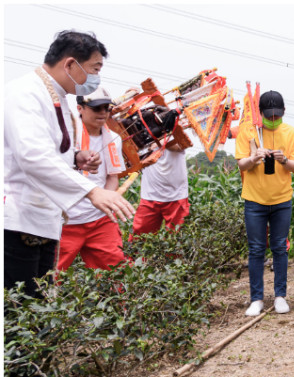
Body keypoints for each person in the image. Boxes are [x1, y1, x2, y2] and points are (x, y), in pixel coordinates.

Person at [4, 30, 134, 299]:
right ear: (71, 65)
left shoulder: (58, 97)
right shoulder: (25, 93)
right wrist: (92, 191)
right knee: (19, 307)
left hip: (45, 220)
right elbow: (32, 155)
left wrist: (75, 158)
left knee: (39, 302)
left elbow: (51, 147)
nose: (96, 77)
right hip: (19, 222)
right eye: (94, 69)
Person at [235, 90, 294, 316]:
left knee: (280, 247)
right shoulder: (248, 131)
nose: (273, 119)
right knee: (256, 249)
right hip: (254, 200)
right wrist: (254, 158)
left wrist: (284, 159)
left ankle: (280, 296)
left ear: (284, 112)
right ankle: (257, 299)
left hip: (282, 199)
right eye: (269, 115)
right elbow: (241, 164)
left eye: (277, 115)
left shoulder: (291, 133)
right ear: (260, 113)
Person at [58, 86, 127, 271]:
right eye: (97, 108)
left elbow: (112, 176)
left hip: (99, 220)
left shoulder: (114, 139)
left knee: (116, 273)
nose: (103, 113)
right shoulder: (65, 135)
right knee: (49, 277)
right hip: (66, 221)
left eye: (107, 108)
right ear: (80, 108)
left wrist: (106, 200)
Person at [131, 96, 191, 235]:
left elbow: (181, 146)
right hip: (150, 196)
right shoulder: (141, 136)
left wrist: (159, 136)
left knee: (177, 239)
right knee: (140, 238)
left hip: (176, 196)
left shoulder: (177, 131)